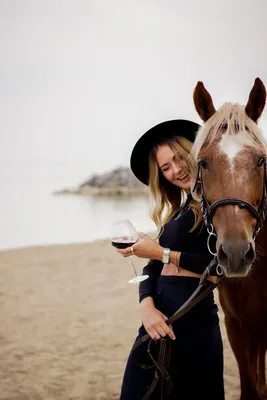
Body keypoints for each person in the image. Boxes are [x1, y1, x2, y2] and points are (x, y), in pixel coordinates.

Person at [115, 120, 224, 400]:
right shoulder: (178, 210)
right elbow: (151, 268)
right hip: (155, 325)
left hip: (192, 326)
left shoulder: (218, 205)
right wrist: (146, 307)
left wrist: (159, 252)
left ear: (192, 153)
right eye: (165, 168)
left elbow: (218, 269)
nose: (176, 170)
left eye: (179, 158)